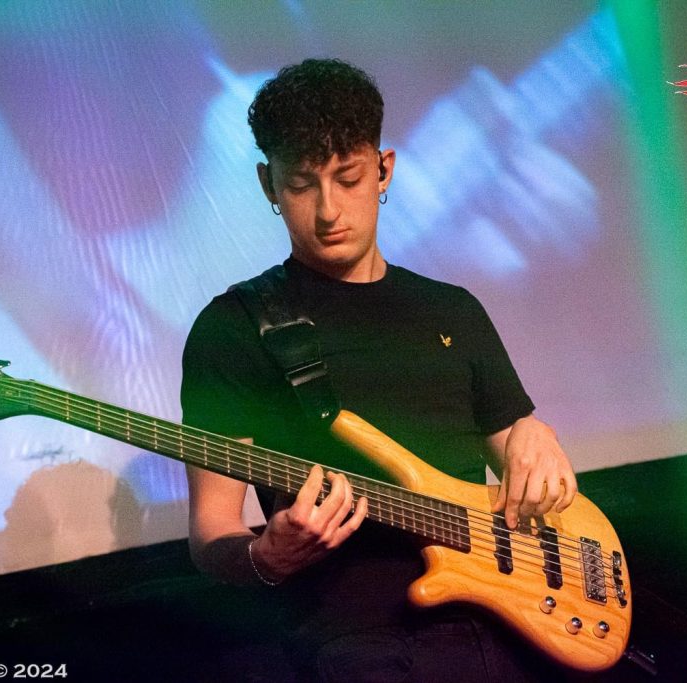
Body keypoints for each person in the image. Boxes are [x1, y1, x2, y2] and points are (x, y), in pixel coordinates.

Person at [181, 58, 578, 682]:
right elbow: (211, 533)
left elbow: (528, 471)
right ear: (267, 184)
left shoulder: (453, 310)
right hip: (357, 645)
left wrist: (537, 439)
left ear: (384, 169)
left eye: (349, 178)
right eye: (301, 185)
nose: (328, 211)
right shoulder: (234, 329)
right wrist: (266, 556)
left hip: (505, 627)